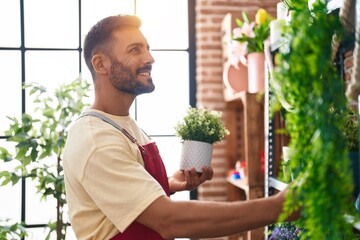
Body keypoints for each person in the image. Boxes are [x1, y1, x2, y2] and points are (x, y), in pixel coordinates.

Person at [63, 14, 298, 240]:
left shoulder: (122, 124)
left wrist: (170, 183)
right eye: (135, 50)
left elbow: (125, 200)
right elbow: (169, 220)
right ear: (100, 64)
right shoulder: (95, 138)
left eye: (147, 48)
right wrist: (279, 206)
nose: (150, 58)